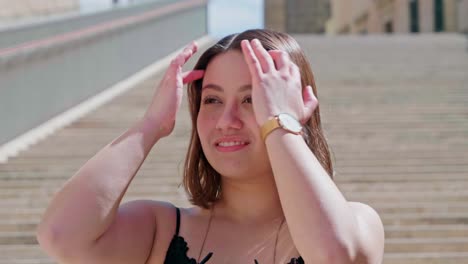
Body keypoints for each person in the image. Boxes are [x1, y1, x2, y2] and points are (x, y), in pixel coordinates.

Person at [36, 29, 385, 264]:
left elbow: (335, 254)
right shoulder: (163, 229)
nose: (226, 120)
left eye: (252, 98)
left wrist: (279, 122)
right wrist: (151, 126)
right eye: (212, 100)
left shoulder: (356, 221)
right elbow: (61, 235)